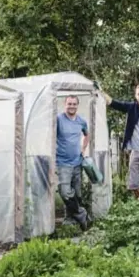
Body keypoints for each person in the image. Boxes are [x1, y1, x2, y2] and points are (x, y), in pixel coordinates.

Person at [56, 95, 90, 230]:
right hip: (62, 162)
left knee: (77, 193)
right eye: (69, 104)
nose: (71, 106)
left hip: (77, 162)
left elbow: (87, 135)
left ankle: (70, 220)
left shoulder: (81, 121)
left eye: (74, 104)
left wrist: (83, 149)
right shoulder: (58, 119)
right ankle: (82, 214)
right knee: (65, 191)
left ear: (77, 105)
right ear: (65, 105)